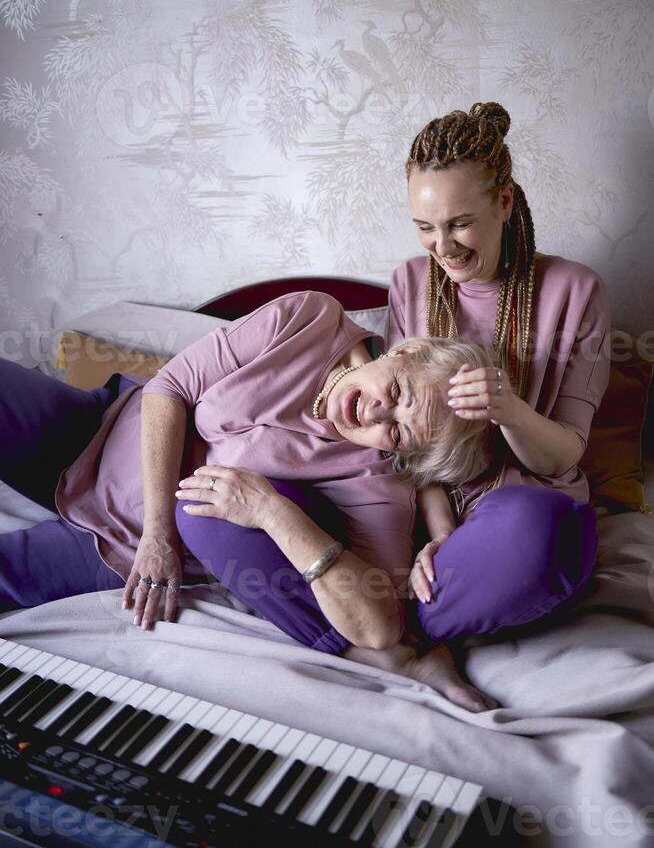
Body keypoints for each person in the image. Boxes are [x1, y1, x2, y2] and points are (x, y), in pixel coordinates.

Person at [1, 290, 513, 712]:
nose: (379, 415)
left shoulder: (374, 479)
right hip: (99, 425)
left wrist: (272, 510)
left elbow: (379, 625)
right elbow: (170, 387)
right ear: (404, 352)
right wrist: (159, 533)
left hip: (117, 539)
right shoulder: (308, 318)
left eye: (398, 434)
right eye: (399, 394)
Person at [385, 101, 610, 689]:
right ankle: (410, 637)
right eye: (425, 227)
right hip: (431, 512)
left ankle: (384, 633)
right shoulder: (410, 283)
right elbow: (405, 449)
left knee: (539, 535)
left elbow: (563, 457)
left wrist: (508, 408)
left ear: (505, 201)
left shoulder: (574, 290)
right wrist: (440, 537)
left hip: (524, 506)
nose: (443, 247)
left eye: (460, 223)